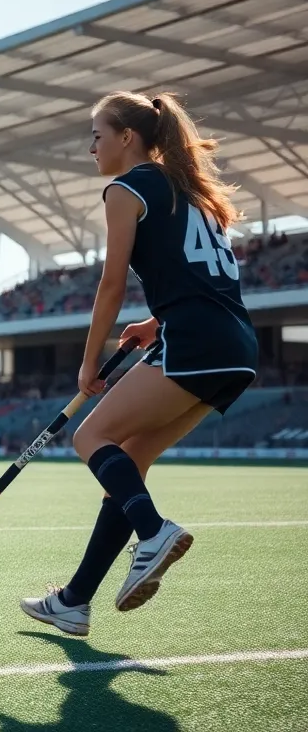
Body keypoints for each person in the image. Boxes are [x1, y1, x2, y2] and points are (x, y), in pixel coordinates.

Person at [22, 92, 257, 636]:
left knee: (90, 437)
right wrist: (157, 323)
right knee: (130, 458)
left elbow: (110, 286)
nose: (91, 147)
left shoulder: (126, 188)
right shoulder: (192, 192)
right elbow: (204, 278)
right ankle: (75, 600)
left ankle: (152, 533)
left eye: (98, 135)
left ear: (127, 138)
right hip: (235, 345)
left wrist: (89, 364)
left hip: (197, 339)